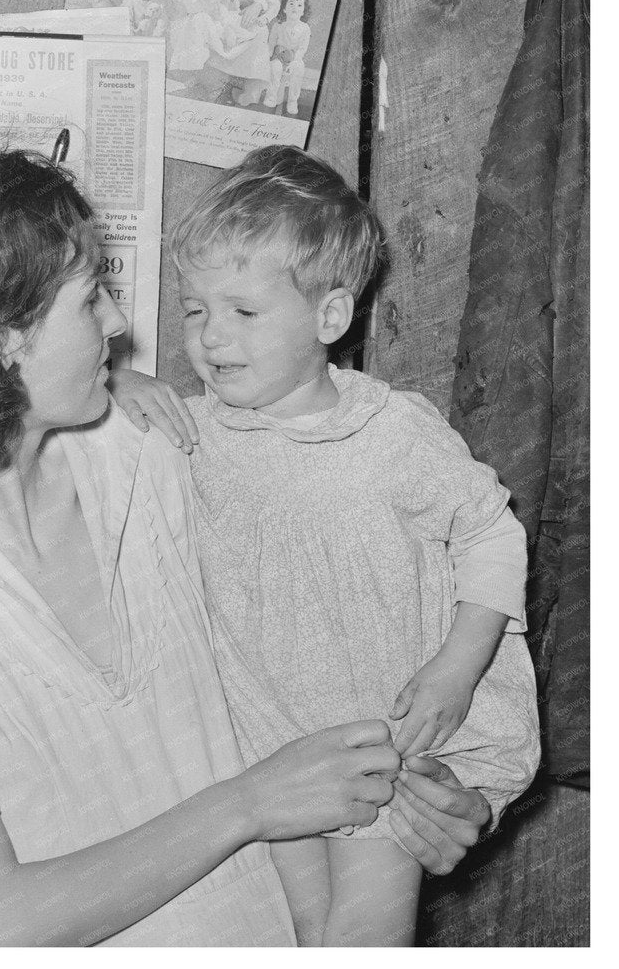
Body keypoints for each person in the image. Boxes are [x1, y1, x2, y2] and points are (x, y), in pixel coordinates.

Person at [0, 148, 494, 947]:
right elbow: (5, 925)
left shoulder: (157, 450)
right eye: (91, 298)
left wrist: (441, 789)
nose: (121, 325)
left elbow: (376, 599)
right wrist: (251, 802)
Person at [111, 145, 539, 945]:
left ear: (330, 317)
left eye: (243, 311)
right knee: (304, 931)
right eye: (195, 308)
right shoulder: (192, 430)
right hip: (264, 735)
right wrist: (123, 383)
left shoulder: (392, 430)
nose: (210, 337)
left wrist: (458, 664)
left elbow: (490, 532)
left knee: (367, 931)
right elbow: (94, 426)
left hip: (380, 728)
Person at [265, 0, 312, 114]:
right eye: (291, 4)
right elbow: (271, 43)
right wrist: (269, 56)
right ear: (284, 8)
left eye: (299, 5)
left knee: (299, 68)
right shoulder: (278, 25)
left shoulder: (305, 28)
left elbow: (302, 48)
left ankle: (292, 101)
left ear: (303, 11)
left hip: (294, 58)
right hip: (278, 57)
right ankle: (272, 96)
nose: (295, 7)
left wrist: (294, 61)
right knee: (275, 69)